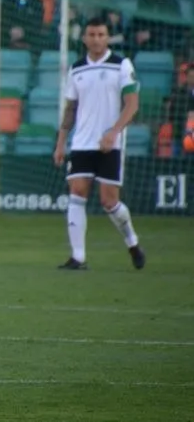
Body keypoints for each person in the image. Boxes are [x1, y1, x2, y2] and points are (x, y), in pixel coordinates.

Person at [53, 17, 145, 271]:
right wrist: (60, 143)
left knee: (109, 202)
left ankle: (132, 242)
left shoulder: (121, 65)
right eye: (91, 34)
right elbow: (70, 108)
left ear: (107, 38)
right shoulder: (77, 69)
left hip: (110, 144)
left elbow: (132, 104)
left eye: (101, 34)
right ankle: (78, 257)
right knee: (77, 192)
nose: (96, 39)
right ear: (84, 38)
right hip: (82, 142)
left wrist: (114, 132)